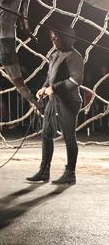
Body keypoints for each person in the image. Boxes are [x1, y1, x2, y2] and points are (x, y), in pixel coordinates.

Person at [27, 28, 84, 185]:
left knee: (68, 136)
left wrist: (55, 88)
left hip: (69, 101)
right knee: (46, 133)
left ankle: (70, 173)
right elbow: (49, 76)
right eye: (52, 38)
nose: (54, 41)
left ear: (66, 38)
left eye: (57, 38)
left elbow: (76, 80)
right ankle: (44, 171)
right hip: (54, 100)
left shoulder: (75, 56)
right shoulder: (54, 55)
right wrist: (44, 88)